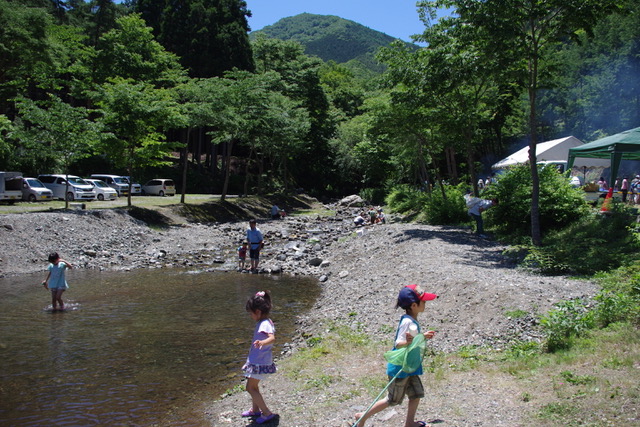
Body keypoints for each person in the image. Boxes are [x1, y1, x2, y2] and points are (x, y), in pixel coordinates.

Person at [353, 284, 437, 427]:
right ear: (414, 305)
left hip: (410, 366)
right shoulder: (407, 322)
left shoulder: (411, 320)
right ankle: (362, 416)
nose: (426, 303)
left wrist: (422, 336)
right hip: (401, 367)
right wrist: (410, 340)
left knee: (416, 394)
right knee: (392, 399)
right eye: (423, 301)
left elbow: (415, 339)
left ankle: (409, 423)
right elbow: (399, 343)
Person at [241, 291, 277, 424]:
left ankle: (266, 413)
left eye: (251, 313)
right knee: (253, 386)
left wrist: (262, 342)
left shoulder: (264, 324)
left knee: (250, 388)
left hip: (259, 362)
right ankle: (255, 410)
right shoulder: (265, 321)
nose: (250, 316)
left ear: (258, 312)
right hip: (258, 360)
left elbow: (272, 338)